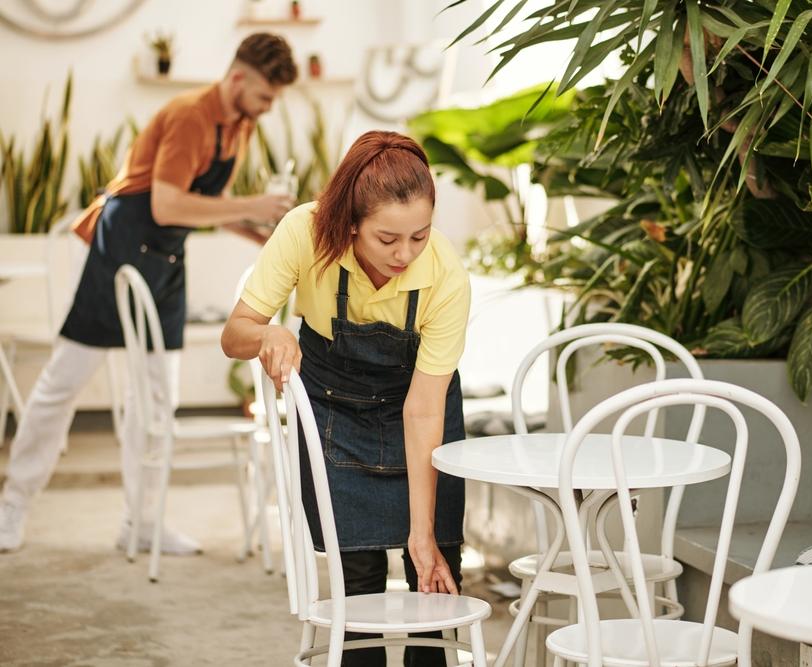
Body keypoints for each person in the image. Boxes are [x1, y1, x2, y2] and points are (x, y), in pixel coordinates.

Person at [0, 33, 298, 554]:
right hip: (120, 247)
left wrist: (263, 233)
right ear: (237, 79)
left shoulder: (240, 125)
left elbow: (210, 202)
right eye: (265, 96)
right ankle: (12, 507)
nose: (268, 108)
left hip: (166, 258)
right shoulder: (189, 115)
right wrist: (258, 202)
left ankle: (141, 523)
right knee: (63, 383)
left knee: (159, 396)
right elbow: (166, 204)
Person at [220, 130, 470, 667]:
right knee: (358, 590)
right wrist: (269, 335)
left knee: (435, 580)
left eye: (420, 236)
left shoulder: (445, 275)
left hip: (420, 421)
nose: (405, 254)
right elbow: (234, 333)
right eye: (387, 239)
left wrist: (421, 535)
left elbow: (423, 409)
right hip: (336, 415)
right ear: (351, 223)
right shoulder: (304, 234)